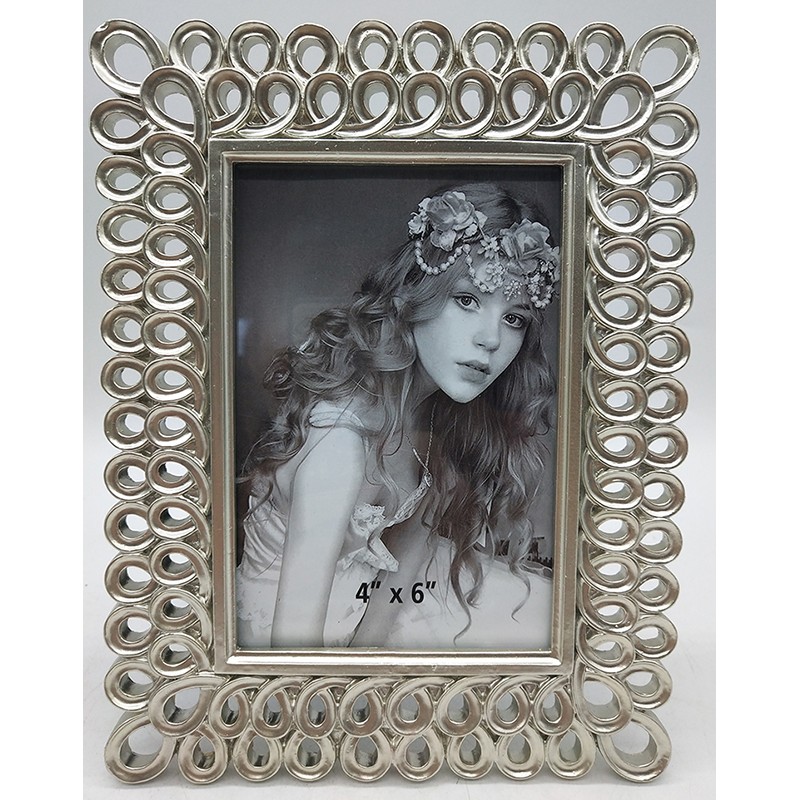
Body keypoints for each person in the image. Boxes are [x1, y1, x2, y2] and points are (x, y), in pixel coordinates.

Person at [235, 183, 560, 649]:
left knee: (545, 614)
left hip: (362, 615)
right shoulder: (340, 443)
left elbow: (401, 572)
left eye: (515, 318)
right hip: (287, 641)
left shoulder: (434, 419)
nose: (491, 339)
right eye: (466, 300)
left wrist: (371, 660)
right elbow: (292, 647)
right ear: (413, 296)